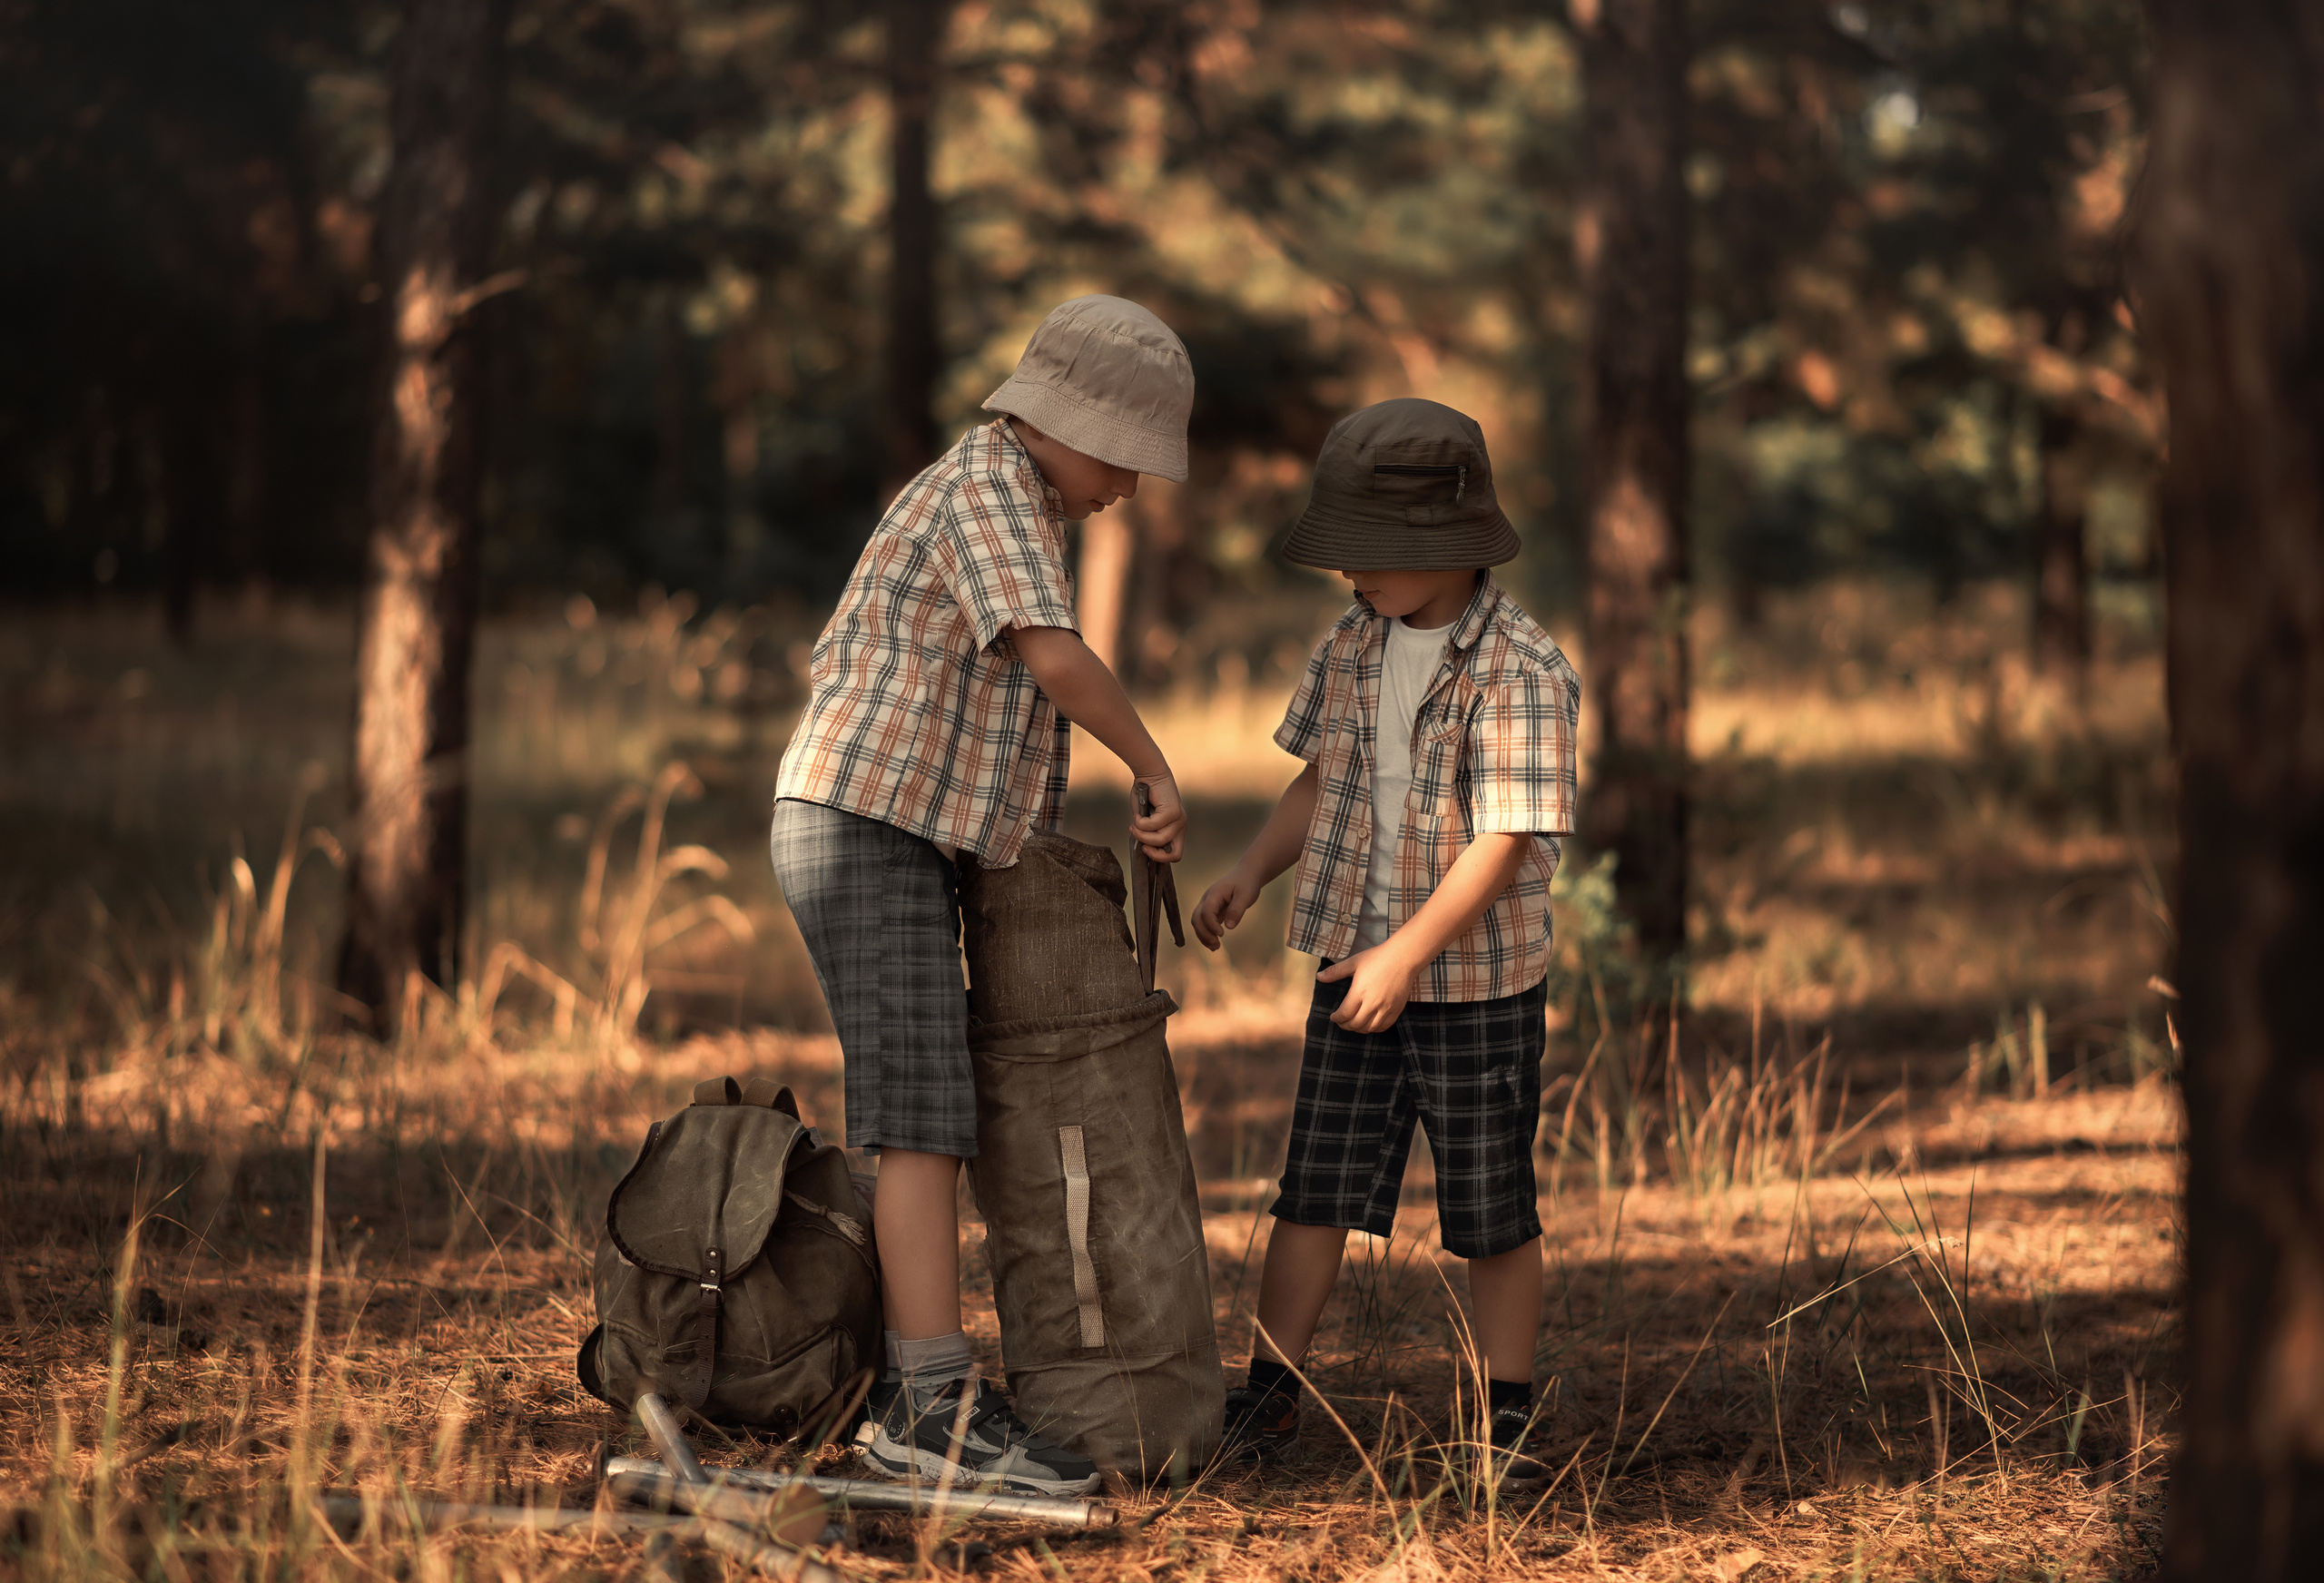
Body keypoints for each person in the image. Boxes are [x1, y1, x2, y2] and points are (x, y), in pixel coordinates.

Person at [770, 295, 1194, 1496]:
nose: (1125, 483)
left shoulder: (1025, 502)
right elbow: (1053, 658)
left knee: (935, 1098)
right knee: (919, 1106)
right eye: (1118, 454)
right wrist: (1153, 763)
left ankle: (927, 1381)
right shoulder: (991, 487)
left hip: (903, 833)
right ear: (1063, 420)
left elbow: (1008, 743)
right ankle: (927, 1406)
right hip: (862, 826)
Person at [1191, 398, 1580, 1484]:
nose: (1347, 572)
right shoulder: (1354, 642)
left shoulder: (1520, 667)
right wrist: (1248, 871)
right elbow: (1318, 780)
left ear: (1443, 548)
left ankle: (1505, 1420)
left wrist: (1409, 951)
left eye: (1366, 550)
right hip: (1349, 973)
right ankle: (1266, 1397)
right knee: (1312, 1190)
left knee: (1490, 1207)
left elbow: (1505, 836)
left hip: (1473, 985)